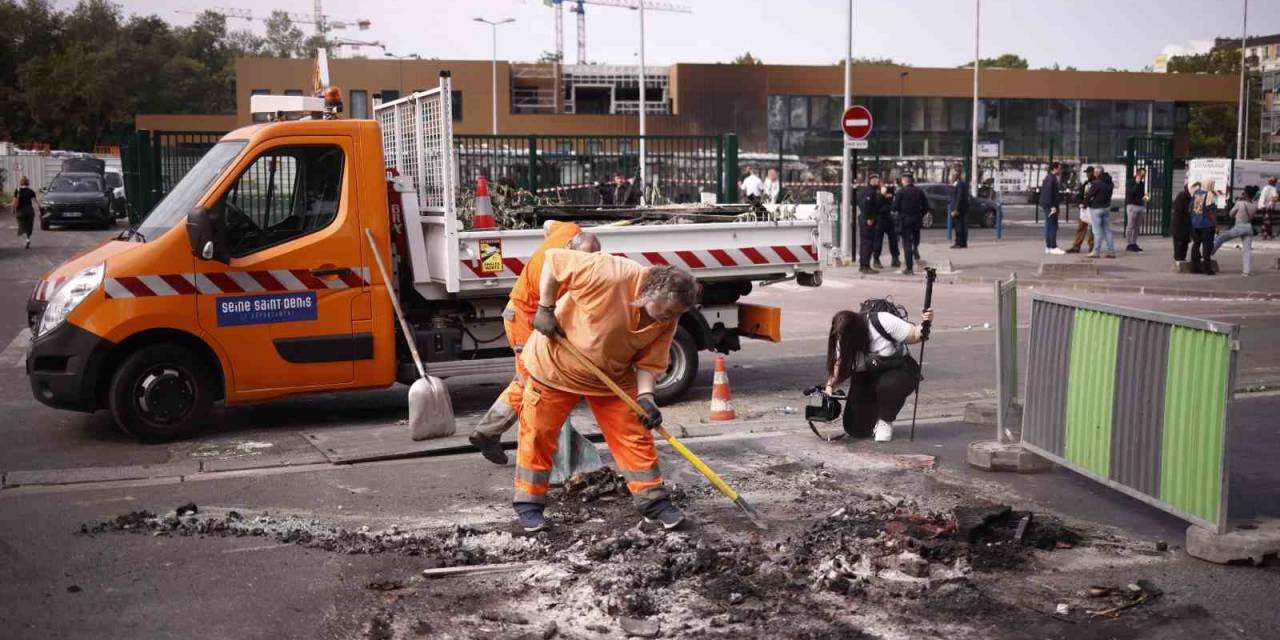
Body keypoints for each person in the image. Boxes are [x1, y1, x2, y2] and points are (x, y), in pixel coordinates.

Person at [513, 251, 699, 532]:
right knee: (538, 433)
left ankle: (654, 503)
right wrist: (546, 308)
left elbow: (649, 363)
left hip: (612, 375)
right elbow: (553, 260)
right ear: (653, 292)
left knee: (634, 434)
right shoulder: (611, 273)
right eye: (670, 311)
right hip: (556, 365)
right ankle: (529, 505)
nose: (671, 318)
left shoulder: (666, 319)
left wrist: (646, 398)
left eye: (677, 315)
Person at [469, 222, 601, 464]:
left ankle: (491, 432)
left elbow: (547, 224)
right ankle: (495, 435)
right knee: (533, 382)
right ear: (570, 249)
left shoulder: (569, 230)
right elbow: (552, 314)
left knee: (529, 380)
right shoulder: (555, 276)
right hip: (525, 318)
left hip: (524, 311)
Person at [824, 307, 935, 442]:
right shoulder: (842, 337)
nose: (846, 343)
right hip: (867, 376)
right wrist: (829, 386)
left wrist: (925, 322)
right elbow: (839, 365)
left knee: (889, 385)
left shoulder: (883, 321)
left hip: (897, 372)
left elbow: (914, 335)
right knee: (856, 430)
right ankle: (871, 416)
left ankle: (885, 420)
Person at [891, 173, 930, 275]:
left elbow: (894, 207)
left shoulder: (901, 192)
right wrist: (920, 214)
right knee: (916, 238)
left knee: (907, 243)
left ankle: (909, 268)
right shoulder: (919, 191)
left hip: (905, 220)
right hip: (916, 219)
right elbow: (926, 207)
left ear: (904, 180)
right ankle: (915, 249)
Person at [1214, 185, 1257, 277]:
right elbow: (1251, 217)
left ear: (1245, 194)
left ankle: (1208, 254)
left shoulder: (1240, 203)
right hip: (1248, 228)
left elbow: (1231, 214)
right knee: (1247, 249)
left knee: (1220, 238)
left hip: (1238, 227)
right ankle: (1246, 271)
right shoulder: (1254, 206)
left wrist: (1238, 203)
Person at [1188, 179, 1219, 275]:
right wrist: (1216, 224)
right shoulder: (1211, 194)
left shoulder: (1196, 194)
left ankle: (1194, 267)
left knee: (1196, 245)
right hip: (1207, 224)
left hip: (1195, 223)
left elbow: (1190, 208)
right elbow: (1211, 211)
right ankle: (1207, 268)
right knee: (1207, 246)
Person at [856, 175, 883, 273]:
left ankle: (863, 264)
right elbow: (867, 205)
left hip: (864, 218)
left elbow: (856, 201)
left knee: (864, 242)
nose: (878, 182)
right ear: (872, 181)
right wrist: (870, 217)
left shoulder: (863, 190)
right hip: (868, 219)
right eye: (876, 180)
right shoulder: (870, 192)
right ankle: (865, 266)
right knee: (868, 243)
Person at [1087, 170, 1116, 259]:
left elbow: (1089, 195)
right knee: (1107, 230)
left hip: (1096, 208)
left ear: (1097, 173)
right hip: (1106, 207)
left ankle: (1096, 251)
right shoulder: (1110, 183)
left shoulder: (1097, 183)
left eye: (1095, 172)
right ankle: (1111, 251)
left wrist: (1086, 203)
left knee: (1097, 231)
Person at [1066, 167, 1096, 254]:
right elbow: (1080, 195)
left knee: (1093, 229)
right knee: (1081, 227)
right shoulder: (1086, 183)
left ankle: (1091, 245)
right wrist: (1080, 203)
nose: (1087, 174)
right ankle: (1076, 246)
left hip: (1092, 208)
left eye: (1089, 172)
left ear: (1093, 173)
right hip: (1085, 209)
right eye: (1087, 173)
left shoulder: (1096, 183)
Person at [871, 182, 901, 270]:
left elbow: (893, 201)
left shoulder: (890, 190)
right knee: (878, 240)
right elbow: (876, 204)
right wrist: (882, 194)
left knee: (893, 238)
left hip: (888, 217)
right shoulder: (875, 192)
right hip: (879, 218)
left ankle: (895, 258)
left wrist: (889, 196)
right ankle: (876, 259)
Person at [1040, 163, 1066, 255]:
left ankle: (1048, 246)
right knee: (1052, 226)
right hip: (1051, 206)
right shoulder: (1052, 179)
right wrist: (1052, 206)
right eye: (1059, 168)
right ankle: (1053, 246)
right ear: (1055, 169)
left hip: (1048, 205)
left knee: (1049, 226)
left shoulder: (1049, 178)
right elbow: (1048, 193)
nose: (1061, 170)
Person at [1172, 180, 1196, 263]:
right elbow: (1182, 211)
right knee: (1180, 243)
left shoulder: (1191, 197)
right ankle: (1179, 260)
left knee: (1184, 243)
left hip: (1186, 224)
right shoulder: (1182, 196)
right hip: (1180, 224)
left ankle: (1181, 259)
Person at [1124, 168, 1147, 252]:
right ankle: (1129, 244)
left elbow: (1143, 194)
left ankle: (1134, 243)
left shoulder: (1142, 183)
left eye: (1144, 175)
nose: (1143, 176)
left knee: (1137, 227)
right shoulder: (1130, 182)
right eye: (1141, 174)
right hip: (1132, 206)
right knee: (1130, 226)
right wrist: (1137, 183)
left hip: (1140, 206)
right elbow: (1131, 192)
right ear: (1137, 174)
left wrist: (1146, 200)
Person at [11, 177, 37, 249]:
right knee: (29, 227)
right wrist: (41, 208)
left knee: (21, 227)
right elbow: (35, 201)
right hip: (29, 211)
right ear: (28, 183)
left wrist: (12, 209)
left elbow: (14, 201)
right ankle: (28, 238)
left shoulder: (17, 190)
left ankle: (27, 240)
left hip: (20, 212)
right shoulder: (31, 191)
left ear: (21, 182)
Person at [949, 170, 970, 249]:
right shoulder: (960, 184)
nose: (950, 177)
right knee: (962, 226)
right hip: (961, 209)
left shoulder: (959, 184)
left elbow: (959, 197)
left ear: (955, 176)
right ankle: (963, 243)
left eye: (951, 175)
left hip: (959, 210)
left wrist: (956, 209)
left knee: (959, 226)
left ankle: (958, 243)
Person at [1260, 176, 1277, 240]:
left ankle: (1265, 234)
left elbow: (1262, 198)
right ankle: (1268, 235)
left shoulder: (1265, 188)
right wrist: (1270, 205)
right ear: (1274, 182)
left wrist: (1262, 205)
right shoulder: (1273, 189)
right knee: (1268, 221)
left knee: (1265, 220)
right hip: (1268, 207)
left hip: (1263, 206)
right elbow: (1274, 198)